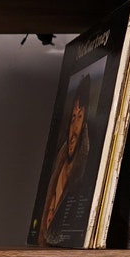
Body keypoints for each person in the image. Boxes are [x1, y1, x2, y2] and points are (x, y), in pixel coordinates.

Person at [38, 74, 91, 246]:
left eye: (80, 117)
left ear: (85, 124)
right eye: (73, 117)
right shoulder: (58, 162)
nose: (73, 128)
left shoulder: (82, 175)